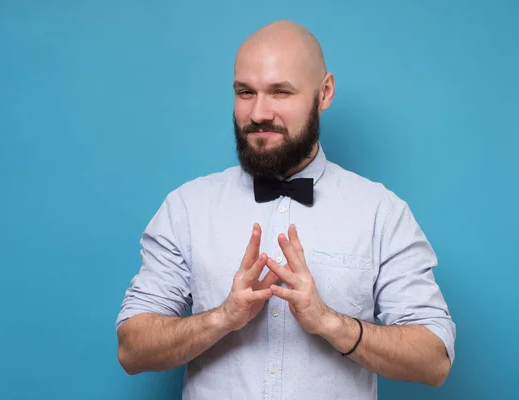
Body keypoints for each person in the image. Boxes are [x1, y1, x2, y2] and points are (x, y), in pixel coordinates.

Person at [115, 20, 455, 399]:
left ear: (324, 93)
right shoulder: (186, 208)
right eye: (246, 92)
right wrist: (222, 318)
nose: (259, 112)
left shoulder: (382, 213)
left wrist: (330, 322)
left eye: (280, 92)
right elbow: (132, 349)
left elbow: (434, 359)